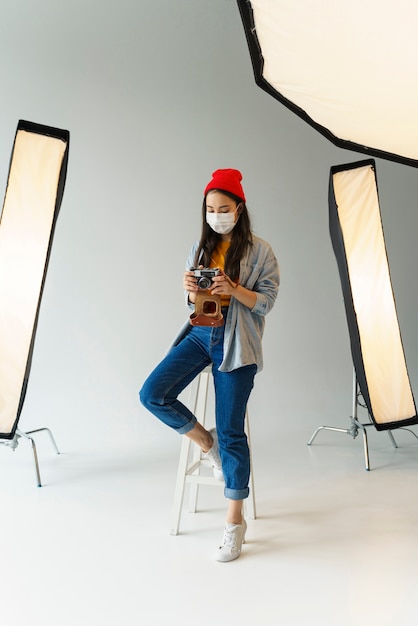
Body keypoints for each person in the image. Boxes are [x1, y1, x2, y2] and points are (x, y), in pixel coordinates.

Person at [139, 168, 279, 562]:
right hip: (201, 335)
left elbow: (266, 302)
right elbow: (194, 306)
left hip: (238, 345)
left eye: (223, 208)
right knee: (153, 394)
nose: (216, 214)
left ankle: (234, 523)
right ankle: (206, 442)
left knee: (233, 432)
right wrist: (189, 292)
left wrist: (234, 289)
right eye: (209, 208)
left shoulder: (260, 251)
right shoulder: (199, 249)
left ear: (239, 208)